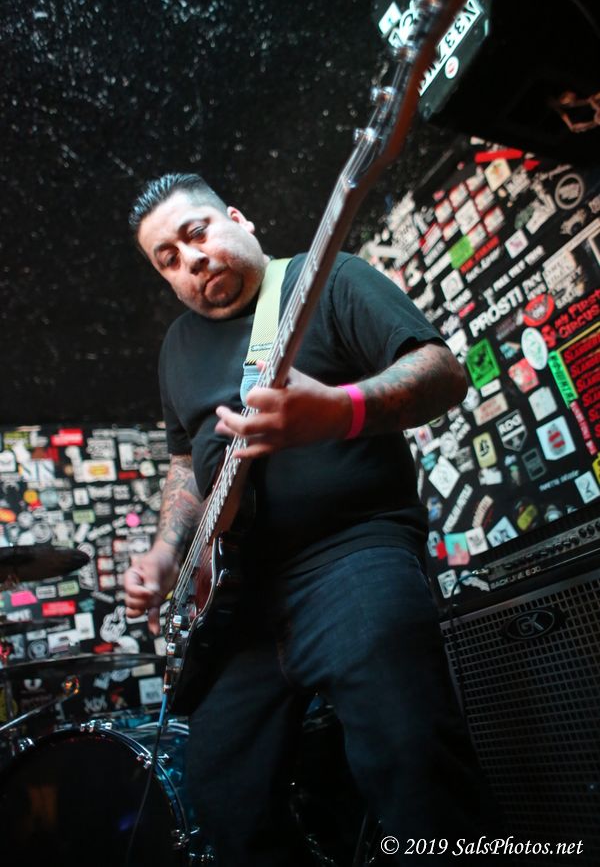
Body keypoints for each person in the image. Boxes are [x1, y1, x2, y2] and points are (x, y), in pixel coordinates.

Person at [124, 173, 494, 865]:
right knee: (223, 797)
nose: (191, 259)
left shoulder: (328, 278)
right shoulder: (176, 347)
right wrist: (169, 550)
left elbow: (443, 370)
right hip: (241, 604)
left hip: (351, 554)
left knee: (414, 766)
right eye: (168, 259)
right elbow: (184, 464)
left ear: (239, 218)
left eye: (197, 232)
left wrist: (340, 410)